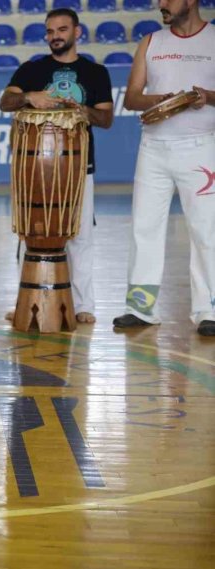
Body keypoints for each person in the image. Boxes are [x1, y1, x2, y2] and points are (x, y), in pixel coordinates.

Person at [0, 8, 114, 325]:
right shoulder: (31, 70)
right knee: (30, 234)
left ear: (78, 32)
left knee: (80, 237)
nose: (55, 36)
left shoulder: (95, 73)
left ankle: (83, 304)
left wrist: (81, 109)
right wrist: (29, 97)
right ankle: (25, 298)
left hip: (76, 168)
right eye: (50, 31)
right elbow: (5, 102)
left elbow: (105, 119)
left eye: (62, 30)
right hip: (35, 166)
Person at [113, 0, 215, 337]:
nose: (161, 4)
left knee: (206, 232)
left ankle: (208, 310)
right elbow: (131, 97)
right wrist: (160, 100)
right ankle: (140, 308)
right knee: (144, 227)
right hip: (153, 149)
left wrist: (207, 97)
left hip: (201, 148)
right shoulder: (151, 42)